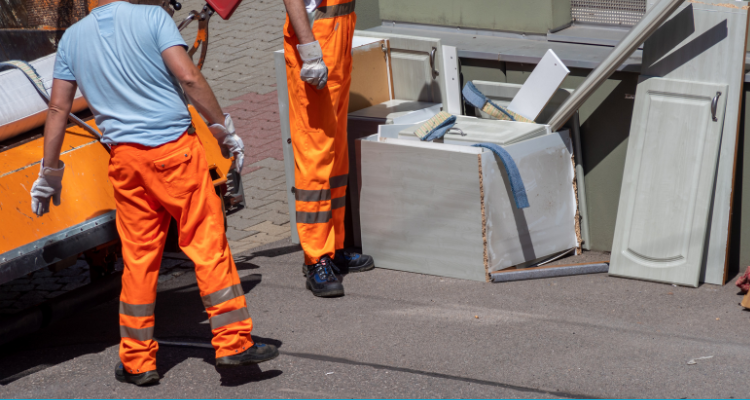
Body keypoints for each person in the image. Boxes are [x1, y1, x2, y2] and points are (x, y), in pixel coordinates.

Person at [29, 0, 278, 386]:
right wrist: (223, 127)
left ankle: (137, 360)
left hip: (125, 162)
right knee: (206, 244)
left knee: (140, 258)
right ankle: (232, 344)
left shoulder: (72, 40)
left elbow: (59, 108)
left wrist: (49, 171)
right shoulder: (152, 18)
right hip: (175, 154)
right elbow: (189, 77)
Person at [282, 0, 374, 298]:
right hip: (317, 41)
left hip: (336, 38)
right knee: (315, 153)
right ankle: (316, 257)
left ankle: (333, 248)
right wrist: (309, 51)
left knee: (335, 153)